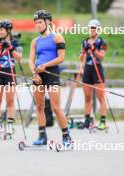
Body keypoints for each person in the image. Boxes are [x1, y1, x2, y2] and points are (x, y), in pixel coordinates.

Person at [28, 10, 72, 146]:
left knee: (56, 107)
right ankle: (42, 136)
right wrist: (34, 73)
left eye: (40, 22)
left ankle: (66, 136)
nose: (38, 25)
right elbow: (30, 59)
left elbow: (61, 58)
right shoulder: (35, 41)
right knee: (39, 107)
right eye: (36, 23)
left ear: (48, 22)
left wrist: (44, 65)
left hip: (52, 73)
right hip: (38, 75)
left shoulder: (57, 37)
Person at [0, 20, 23, 137]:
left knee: (10, 101)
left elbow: (19, 58)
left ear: (8, 30)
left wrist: (10, 48)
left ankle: (9, 125)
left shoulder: (15, 42)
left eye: (1, 30)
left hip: (10, 73)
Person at [81, 19, 108, 130]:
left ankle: (102, 122)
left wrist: (94, 49)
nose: (92, 30)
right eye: (90, 28)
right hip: (87, 70)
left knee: (100, 97)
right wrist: (85, 51)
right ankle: (87, 120)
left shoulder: (102, 42)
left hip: (97, 69)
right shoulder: (84, 42)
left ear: (98, 30)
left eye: (94, 28)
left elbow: (101, 56)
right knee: (87, 97)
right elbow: (81, 57)